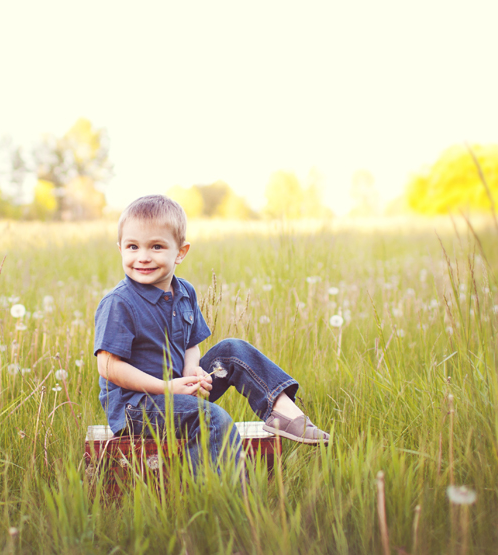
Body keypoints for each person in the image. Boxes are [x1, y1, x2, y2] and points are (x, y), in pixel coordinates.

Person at [94, 194, 329, 475]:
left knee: (233, 350)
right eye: (133, 246)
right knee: (212, 417)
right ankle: (212, 490)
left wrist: (192, 371)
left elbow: (191, 343)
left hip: (177, 389)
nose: (143, 257)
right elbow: (108, 366)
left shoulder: (184, 292)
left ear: (180, 252)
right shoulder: (120, 302)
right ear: (120, 248)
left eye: (157, 246)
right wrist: (167, 388)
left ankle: (283, 413)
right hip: (137, 407)